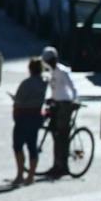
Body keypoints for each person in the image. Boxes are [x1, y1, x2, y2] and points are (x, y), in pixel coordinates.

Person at [40, 46, 80, 179]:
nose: (48, 63)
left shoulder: (62, 71)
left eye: (50, 61)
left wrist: (75, 100)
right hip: (56, 104)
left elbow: (72, 87)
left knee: (61, 135)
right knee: (55, 135)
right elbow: (55, 88)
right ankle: (57, 165)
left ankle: (63, 166)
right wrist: (51, 98)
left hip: (65, 105)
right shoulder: (51, 72)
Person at [11, 57, 47, 184]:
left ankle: (20, 174)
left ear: (30, 69)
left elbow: (18, 102)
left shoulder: (26, 83)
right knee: (32, 146)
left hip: (23, 116)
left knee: (18, 146)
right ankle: (31, 176)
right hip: (36, 116)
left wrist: (15, 115)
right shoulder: (43, 83)